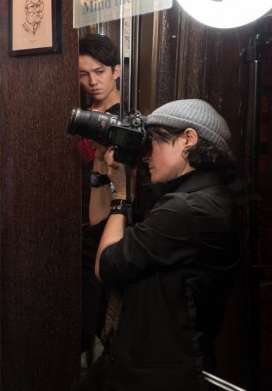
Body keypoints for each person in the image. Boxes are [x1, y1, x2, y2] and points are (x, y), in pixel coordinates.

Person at [78, 98, 240, 390]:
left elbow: (106, 264)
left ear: (188, 139)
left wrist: (122, 195)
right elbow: (103, 228)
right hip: (136, 362)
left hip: (155, 376)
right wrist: (101, 165)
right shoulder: (201, 197)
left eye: (153, 142)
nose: (146, 156)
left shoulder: (187, 209)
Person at [77, 33, 121, 354]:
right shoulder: (81, 116)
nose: (92, 82)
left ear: (116, 71)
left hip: (107, 226)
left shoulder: (124, 119)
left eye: (100, 72)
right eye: (83, 74)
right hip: (77, 225)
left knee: (98, 319)